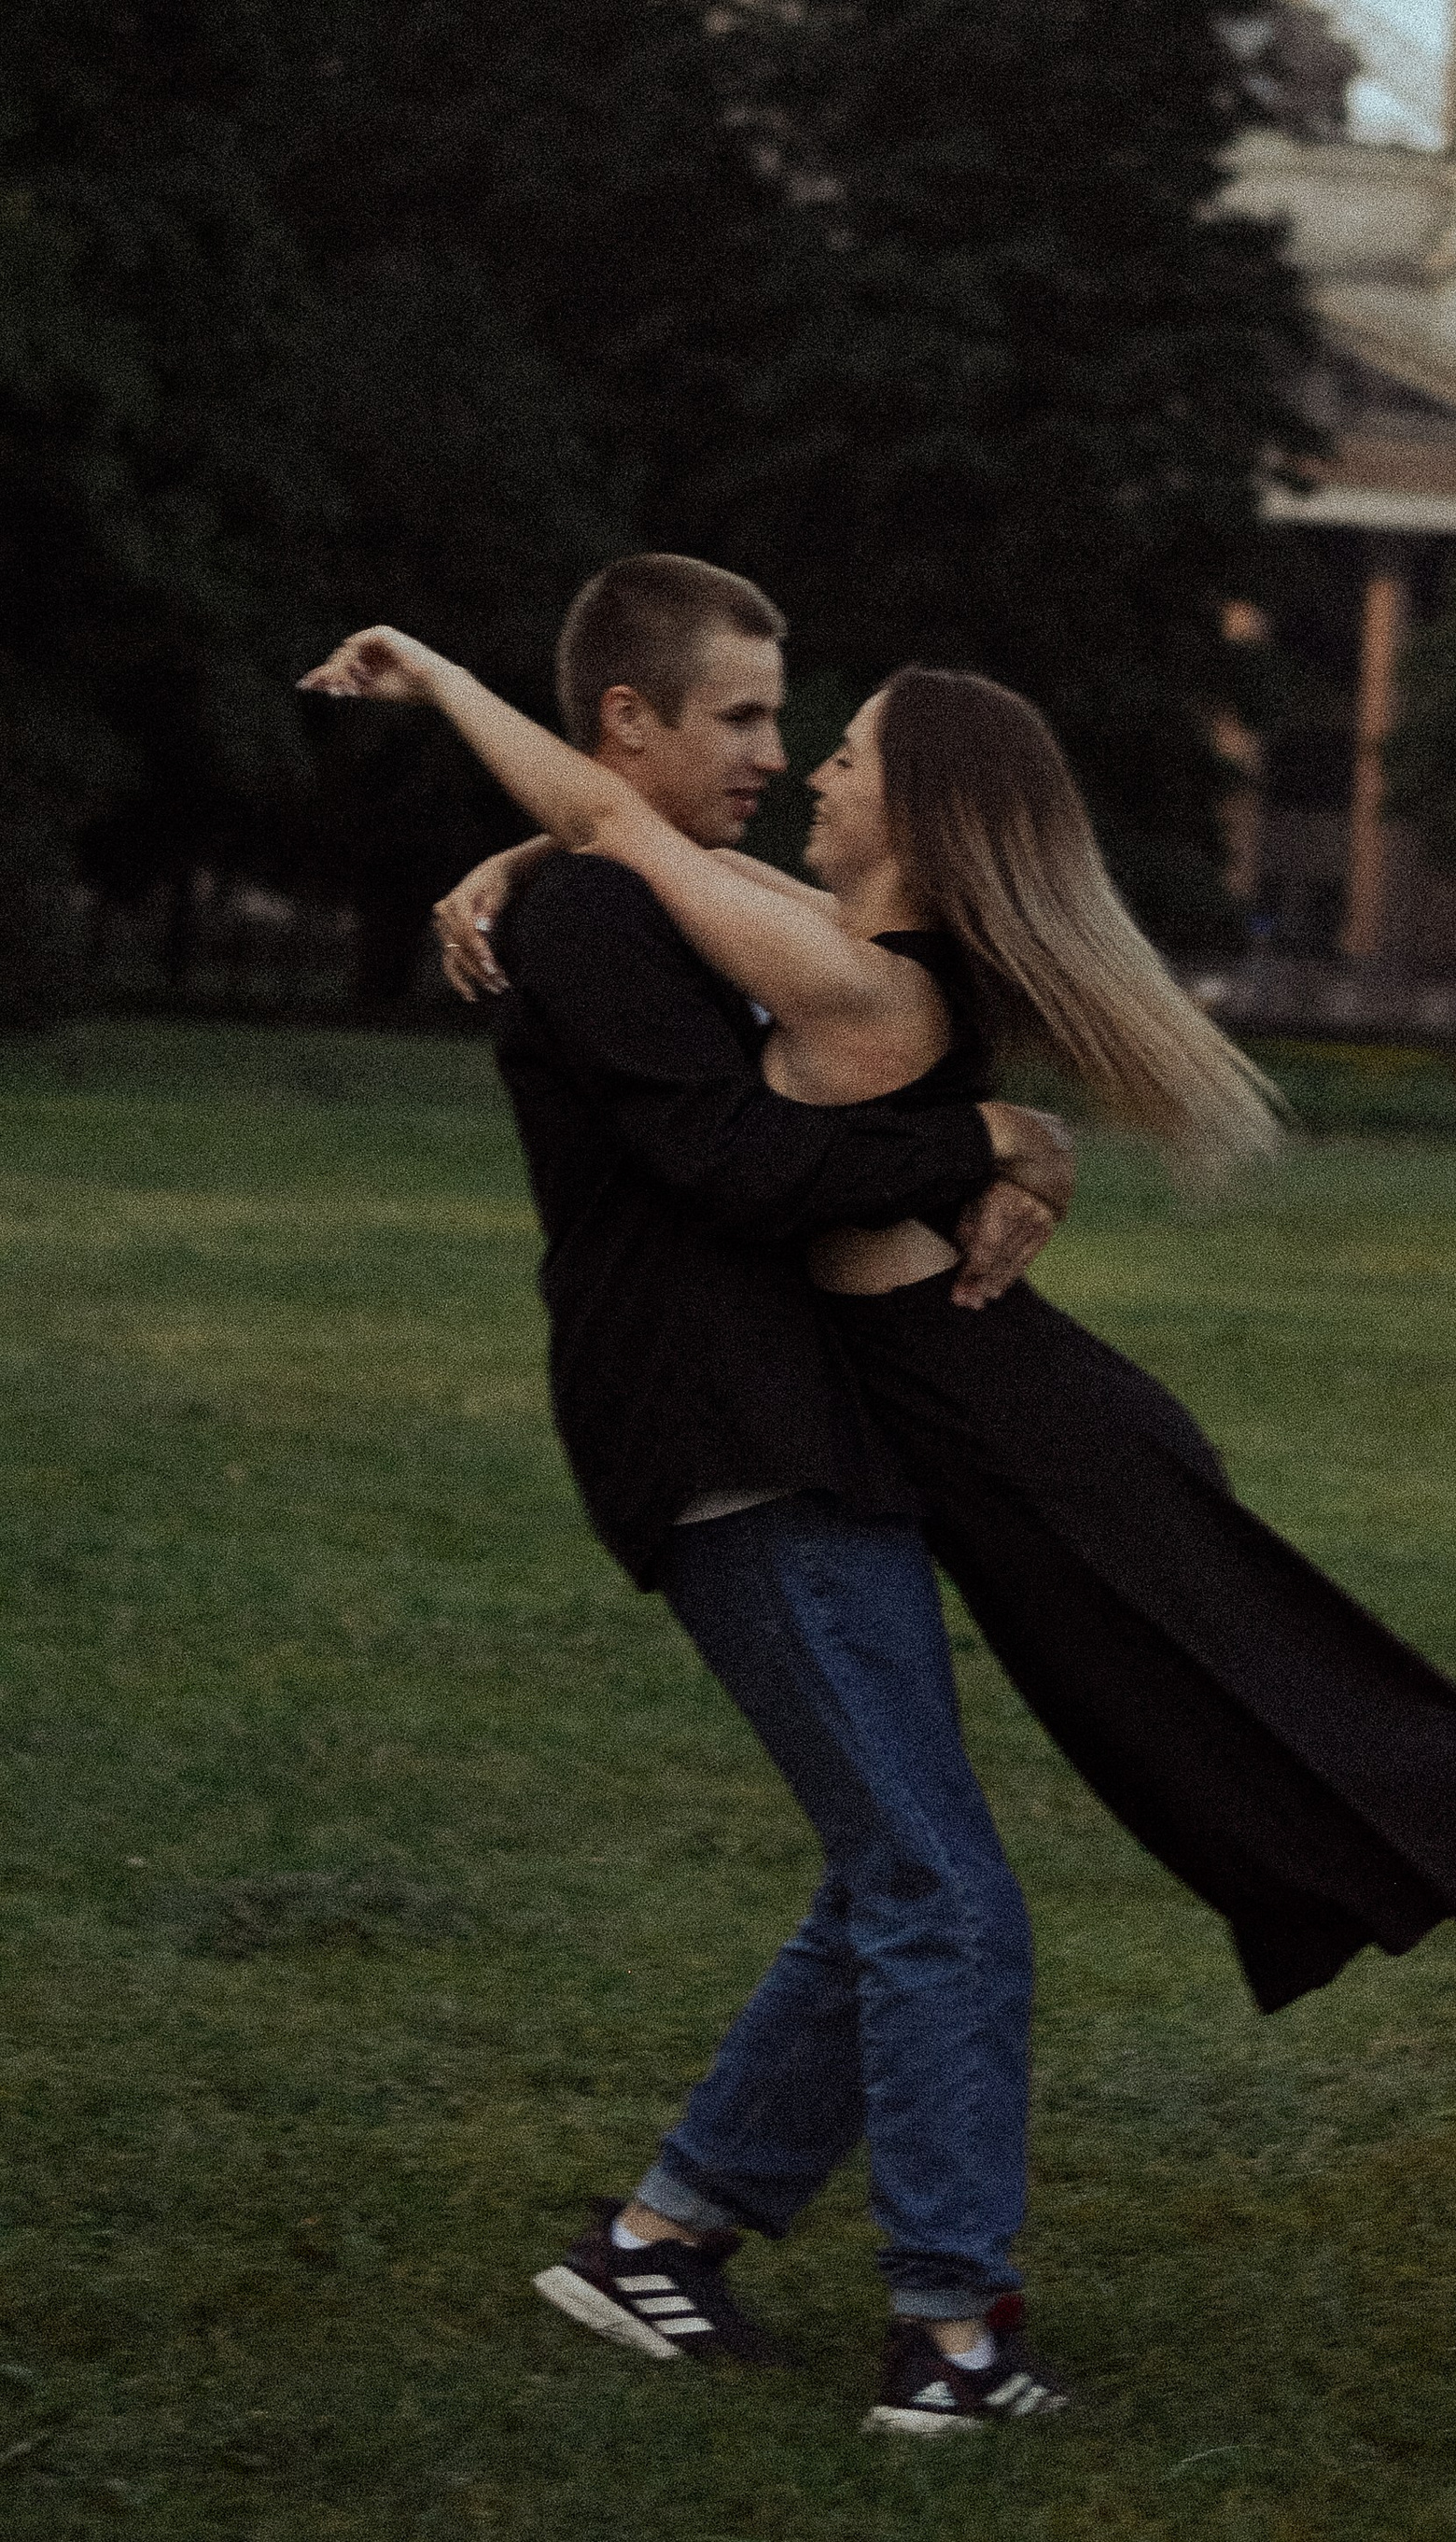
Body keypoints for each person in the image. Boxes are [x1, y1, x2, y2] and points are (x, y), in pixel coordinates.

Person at [310, 599, 1456, 2243]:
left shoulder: (863, 987)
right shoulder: (841, 949)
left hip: (1027, 1449)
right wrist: (520, 868)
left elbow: (613, 824)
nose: (809, 774)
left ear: (920, 814)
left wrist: (436, 679)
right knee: (1307, 1738)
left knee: (1305, 1744)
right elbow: (623, 852)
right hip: (1010, 1437)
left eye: (844, 756)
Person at [306, 559, 1078, 2437]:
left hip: (806, 1430)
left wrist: (996, 1134)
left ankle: (662, 2238)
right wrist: (974, 1136)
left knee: (891, 1872)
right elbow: (742, 1165)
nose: (776, 748)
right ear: (624, 728)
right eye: (737, 716)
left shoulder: (653, 902)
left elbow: (843, 1015)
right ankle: (951, 2335)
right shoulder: (591, 920)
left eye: (780, 713)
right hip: (723, 1443)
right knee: (938, 1891)